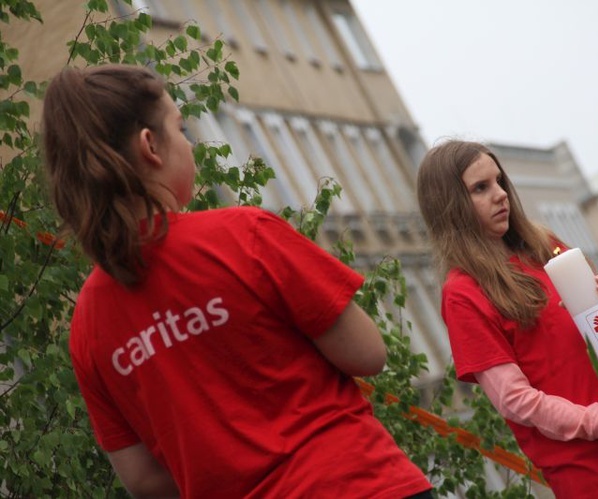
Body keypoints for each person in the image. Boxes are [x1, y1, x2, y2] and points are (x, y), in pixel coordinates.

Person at [42, 63, 433, 499]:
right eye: (181, 128)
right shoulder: (245, 235)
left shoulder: (88, 326)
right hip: (361, 483)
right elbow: (367, 353)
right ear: (150, 145)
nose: (189, 144)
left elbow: (144, 481)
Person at [416, 140, 598, 499]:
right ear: (450, 206)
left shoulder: (544, 246)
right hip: (596, 477)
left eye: (499, 181)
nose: (500, 194)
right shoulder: (462, 293)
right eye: (481, 188)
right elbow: (516, 400)